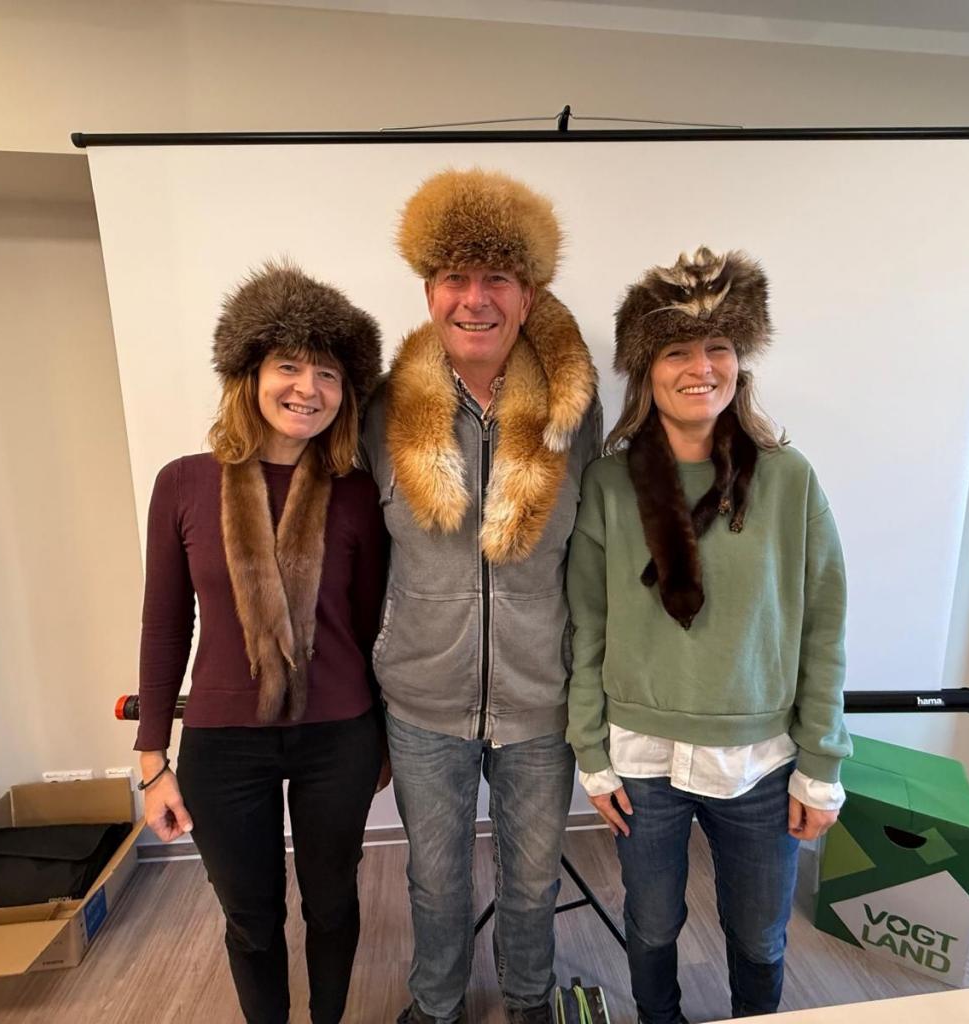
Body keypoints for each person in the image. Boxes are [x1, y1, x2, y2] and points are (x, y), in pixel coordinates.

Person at [566, 246, 851, 1024]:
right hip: (641, 757)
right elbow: (588, 625)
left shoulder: (788, 479)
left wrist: (821, 761)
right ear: (645, 370)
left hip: (763, 759)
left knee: (759, 936)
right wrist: (590, 751)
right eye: (676, 351)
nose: (701, 367)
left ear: (740, 361)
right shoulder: (608, 485)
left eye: (718, 347)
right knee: (652, 925)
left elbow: (824, 625)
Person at [362, 168, 601, 1024]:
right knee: (435, 878)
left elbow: (592, 558)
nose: (475, 299)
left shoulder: (574, 412)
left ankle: (530, 999)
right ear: (428, 292)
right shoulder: (382, 409)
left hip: (541, 698)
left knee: (532, 878)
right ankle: (437, 1004)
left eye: (496, 277)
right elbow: (360, 555)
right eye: (455, 277)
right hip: (423, 698)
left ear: (527, 296)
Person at [134, 261, 387, 1024]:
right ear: (249, 375)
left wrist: (381, 738)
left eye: (328, 373)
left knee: (333, 905)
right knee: (250, 918)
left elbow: (371, 624)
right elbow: (164, 622)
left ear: (346, 393)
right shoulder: (183, 483)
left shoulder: (359, 493)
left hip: (339, 735)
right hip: (222, 743)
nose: (307, 388)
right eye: (288, 366)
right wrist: (152, 758)